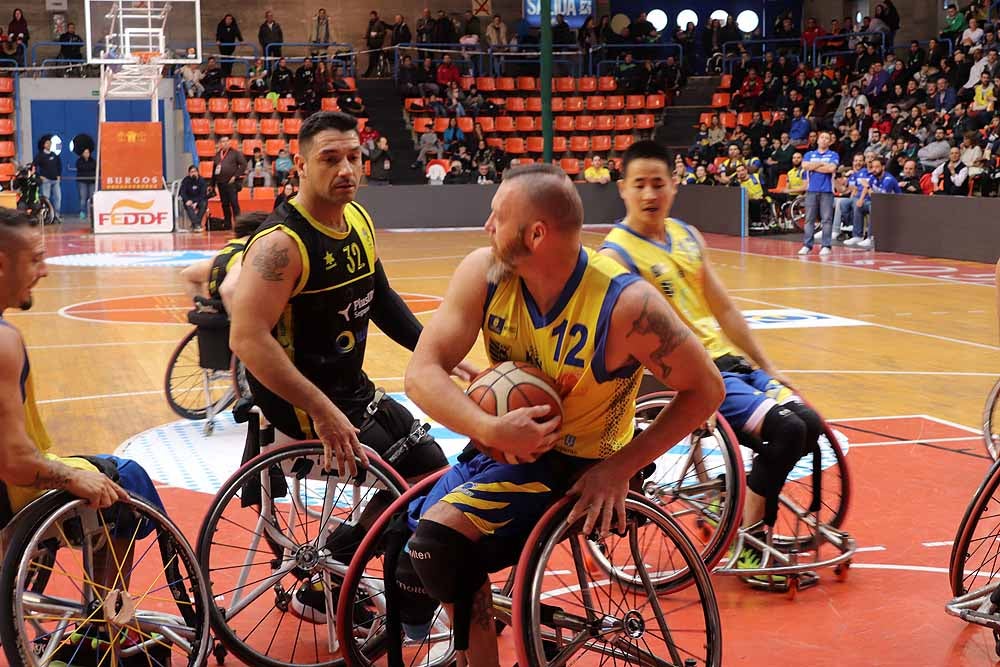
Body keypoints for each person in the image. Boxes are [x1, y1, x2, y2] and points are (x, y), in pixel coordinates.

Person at [400, 162, 724, 663]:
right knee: (405, 550)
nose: (487, 227)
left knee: (438, 543)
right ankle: (486, 614)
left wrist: (619, 468)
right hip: (505, 449)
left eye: (496, 217)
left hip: (578, 466)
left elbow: (706, 389)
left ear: (535, 233)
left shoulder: (625, 305)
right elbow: (421, 373)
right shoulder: (485, 272)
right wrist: (486, 426)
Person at [227, 115, 472, 619]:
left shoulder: (357, 219)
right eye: (330, 159)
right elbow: (247, 340)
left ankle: (331, 571)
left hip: (349, 390)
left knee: (432, 472)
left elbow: (380, 297)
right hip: (299, 406)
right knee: (414, 480)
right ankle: (339, 577)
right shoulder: (281, 245)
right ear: (299, 165)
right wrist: (319, 410)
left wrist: (441, 357)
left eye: (354, 157)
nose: (346, 169)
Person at [600, 139, 825, 582]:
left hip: (728, 363)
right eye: (639, 184)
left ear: (674, 185)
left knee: (809, 422)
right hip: (685, 375)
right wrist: (681, 400)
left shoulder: (686, 235)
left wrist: (767, 366)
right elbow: (625, 343)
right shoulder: (615, 256)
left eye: (658, 184)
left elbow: (723, 309)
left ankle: (735, 501)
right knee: (786, 430)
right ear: (622, 188)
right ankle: (748, 548)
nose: (649, 194)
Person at [0, 206, 165, 585]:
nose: (44, 271)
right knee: (126, 479)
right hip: (11, 493)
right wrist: (72, 477)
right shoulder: (4, 341)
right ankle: (106, 626)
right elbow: (14, 462)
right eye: (35, 259)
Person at [181, 212, 264, 301]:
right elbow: (228, 289)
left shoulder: (227, 251)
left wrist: (202, 306)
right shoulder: (248, 254)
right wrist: (236, 314)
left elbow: (188, 274)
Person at [798, 130, 840, 255]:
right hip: (811, 190)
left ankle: (826, 246)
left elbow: (831, 168)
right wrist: (822, 164)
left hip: (827, 190)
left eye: (827, 138)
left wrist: (814, 166)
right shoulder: (809, 154)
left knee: (826, 219)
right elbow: (805, 166)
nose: (824, 140)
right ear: (817, 140)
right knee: (809, 219)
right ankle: (807, 245)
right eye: (822, 137)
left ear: (830, 142)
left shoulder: (833, 155)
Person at [850, 155, 899, 249]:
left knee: (873, 206)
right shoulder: (874, 176)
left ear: (883, 167)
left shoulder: (889, 180)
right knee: (859, 206)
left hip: (893, 204)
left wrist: (868, 187)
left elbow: (879, 198)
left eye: (877, 167)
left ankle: (871, 237)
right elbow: (866, 187)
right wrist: (861, 199)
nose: (874, 169)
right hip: (880, 202)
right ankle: (857, 236)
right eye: (873, 167)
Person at [211, 136, 247, 231]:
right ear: (219, 144)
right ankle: (227, 224)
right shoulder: (217, 155)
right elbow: (214, 170)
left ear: (229, 143)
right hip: (220, 183)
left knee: (234, 203)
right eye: (222, 142)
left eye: (226, 141)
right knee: (225, 204)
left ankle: (239, 224)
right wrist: (212, 184)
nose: (224, 143)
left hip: (232, 183)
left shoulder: (235, 153)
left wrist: (235, 176)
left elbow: (243, 164)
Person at [33, 137, 61, 224]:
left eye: (50, 143)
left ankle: (56, 216)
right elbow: (34, 166)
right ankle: (46, 217)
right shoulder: (40, 155)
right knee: (46, 200)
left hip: (55, 181)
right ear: (44, 145)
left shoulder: (54, 155)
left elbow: (59, 165)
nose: (49, 145)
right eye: (47, 143)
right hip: (46, 181)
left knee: (58, 198)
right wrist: (39, 176)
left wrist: (59, 175)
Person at [180, 164, 209, 232]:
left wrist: (196, 202)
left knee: (204, 203)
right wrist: (187, 200)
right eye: (191, 172)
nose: (193, 173)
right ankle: (197, 224)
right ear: (189, 173)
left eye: (195, 171)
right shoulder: (185, 180)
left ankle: (195, 224)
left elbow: (203, 194)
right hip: (189, 200)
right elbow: (182, 192)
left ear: (198, 172)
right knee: (188, 206)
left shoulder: (202, 181)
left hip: (199, 200)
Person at [75, 147, 95, 220]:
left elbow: (94, 167)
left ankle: (92, 213)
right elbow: (81, 168)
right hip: (82, 181)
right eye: (85, 152)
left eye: (88, 152)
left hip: (92, 181)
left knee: (92, 198)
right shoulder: (79, 161)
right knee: (83, 198)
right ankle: (82, 213)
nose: (87, 154)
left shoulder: (93, 160)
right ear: (82, 153)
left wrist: (87, 168)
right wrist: (88, 168)